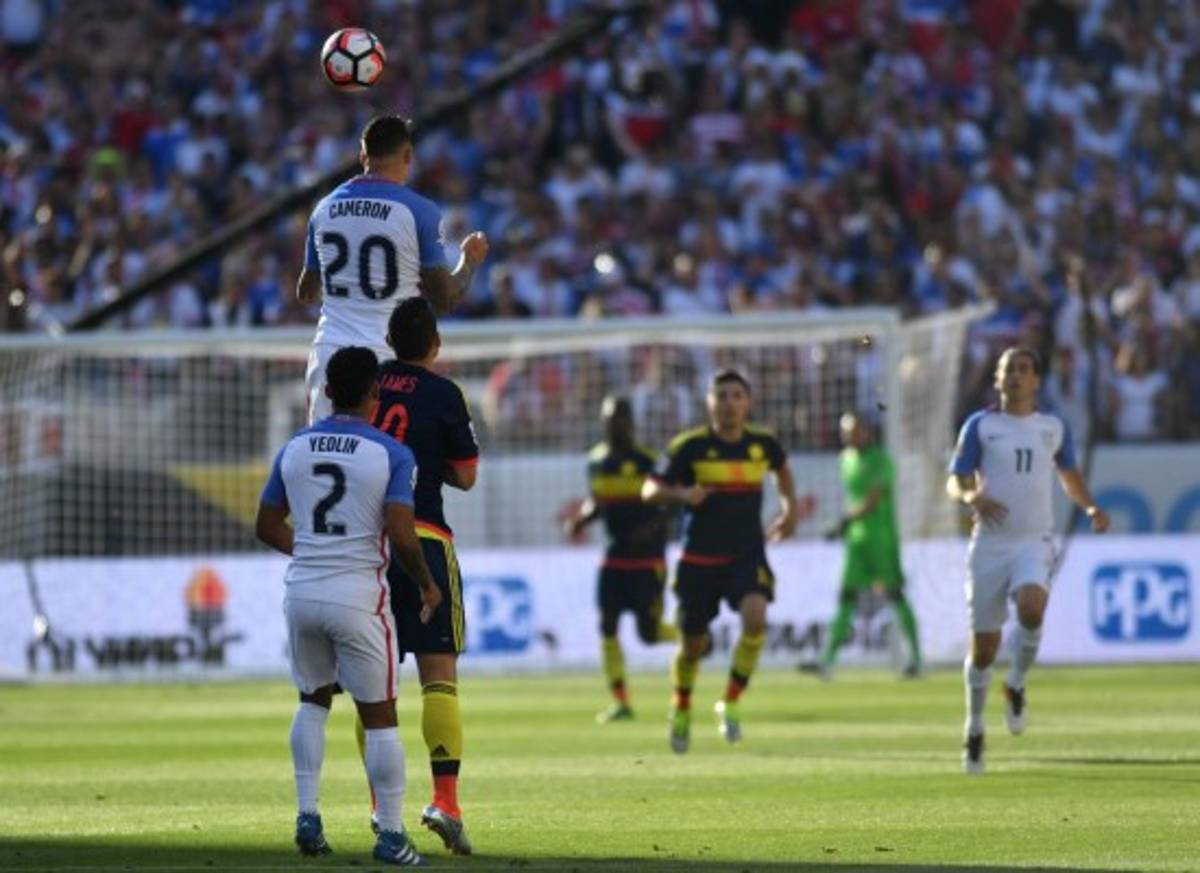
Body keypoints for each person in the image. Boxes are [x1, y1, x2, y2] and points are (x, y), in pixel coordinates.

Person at [255, 345, 442, 866]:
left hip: (302, 594)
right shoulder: (390, 453)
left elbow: (266, 525)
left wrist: (314, 549)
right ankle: (390, 834)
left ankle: (308, 817)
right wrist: (427, 584)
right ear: (374, 394)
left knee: (312, 702)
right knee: (381, 718)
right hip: (358, 595)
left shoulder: (294, 447)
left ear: (328, 391)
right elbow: (404, 538)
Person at [947, 346, 1110, 775]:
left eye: (1023, 369)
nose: (1016, 376)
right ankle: (975, 725)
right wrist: (969, 495)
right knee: (983, 649)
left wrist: (1090, 507)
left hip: (1033, 541)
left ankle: (1016, 683)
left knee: (1033, 608)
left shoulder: (1052, 428)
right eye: (1008, 370)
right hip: (990, 545)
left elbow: (1069, 475)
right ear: (997, 380)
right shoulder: (980, 426)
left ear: (1036, 380)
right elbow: (954, 479)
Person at [363, 297, 480, 855]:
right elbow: (466, 475)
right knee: (439, 678)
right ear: (435, 344)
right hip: (427, 537)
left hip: (367, 547)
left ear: (389, 340)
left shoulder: (362, 383)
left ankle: (379, 810)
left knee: (373, 688)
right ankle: (447, 802)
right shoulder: (444, 392)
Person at [643, 369, 803, 753]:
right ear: (709, 403)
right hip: (699, 559)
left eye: (737, 395)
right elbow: (649, 489)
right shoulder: (690, 447)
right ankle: (681, 705)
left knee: (756, 618)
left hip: (746, 554)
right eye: (723, 396)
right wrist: (682, 495)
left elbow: (781, 471)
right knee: (692, 644)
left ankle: (730, 702)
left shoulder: (762, 444)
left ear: (748, 403)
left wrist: (789, 510)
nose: (730, 402)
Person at [296, 114, 488, 423]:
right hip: (390, 360)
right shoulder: (419, 211)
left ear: (362, 156)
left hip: (330, 354)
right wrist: (470, 261)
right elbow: (444, 300)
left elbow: (305, 293)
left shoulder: (324, 208)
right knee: (388, 463)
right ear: (409, 156)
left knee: (327, 456)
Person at [564, 395, 677, 724]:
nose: (616, 424)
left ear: (631, 422)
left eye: (621, 418)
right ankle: (621, 702)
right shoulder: (596, 460)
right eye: (610, 418)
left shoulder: (649, 461)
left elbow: (671, 504)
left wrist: (651, 528)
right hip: (613, 558)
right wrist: (581, 520)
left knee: (649, 633)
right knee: (607, 626)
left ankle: (690, 633)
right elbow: (598, 501)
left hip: (647, 560)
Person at [818, 411, 922, 676]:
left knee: (894, 594)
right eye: (845, 432)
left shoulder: (880, 459)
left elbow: (873, 500)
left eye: (854, 430)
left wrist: (843, 521)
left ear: (866, 431)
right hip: (856, 540)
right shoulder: (846, 460)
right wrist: (847, 525)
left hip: (881, 537)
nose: (849, 436)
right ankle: (826, 662)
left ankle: (917, 660)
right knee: (846, 595)